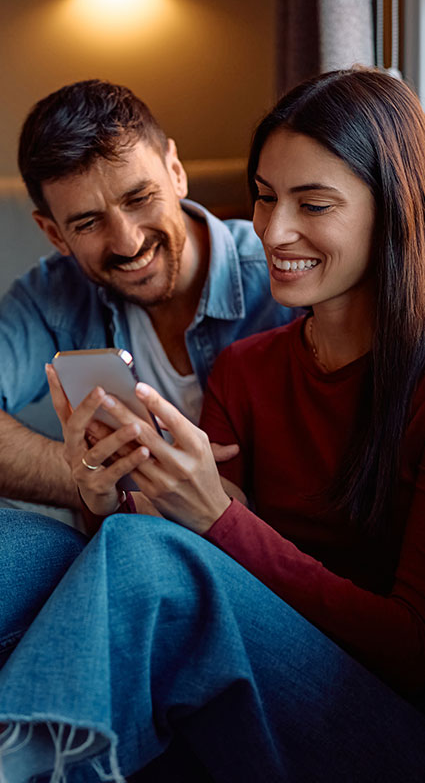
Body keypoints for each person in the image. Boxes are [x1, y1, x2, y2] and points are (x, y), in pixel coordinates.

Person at [1, 66, 425, 782]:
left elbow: (411, 650)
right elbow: (204, 576)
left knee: (144, 554)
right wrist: (99, 494)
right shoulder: (247, 369)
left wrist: (215, 517)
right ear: (52, 232)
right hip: (251, 650)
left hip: (377, 707)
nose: (273, 229)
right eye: (264, 198)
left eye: (313, 203)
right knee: (22, 541)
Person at [0, 79, 295, 518]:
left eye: (139, 198)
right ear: (53, 233)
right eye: (87, 223)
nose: (127, 242)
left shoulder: (283, 278)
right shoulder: (53, 293)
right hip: (117, 529)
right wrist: (109, 490)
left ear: (175, 171)